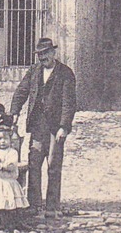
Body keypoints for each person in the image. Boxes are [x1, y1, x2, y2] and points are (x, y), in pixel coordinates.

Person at [9, 37, 77, 216]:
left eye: (45, 53)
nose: (42, 57)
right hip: (38, 126)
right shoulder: (34, 71)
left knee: (53, 165)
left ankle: (52, 206)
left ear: (53, 53)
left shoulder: (65, 73)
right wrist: (15, 111)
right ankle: (34, 205)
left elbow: (69, 103)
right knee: (34, 163)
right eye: (39, 54)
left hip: (55, 128)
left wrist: (64, 126)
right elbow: (21, 91)